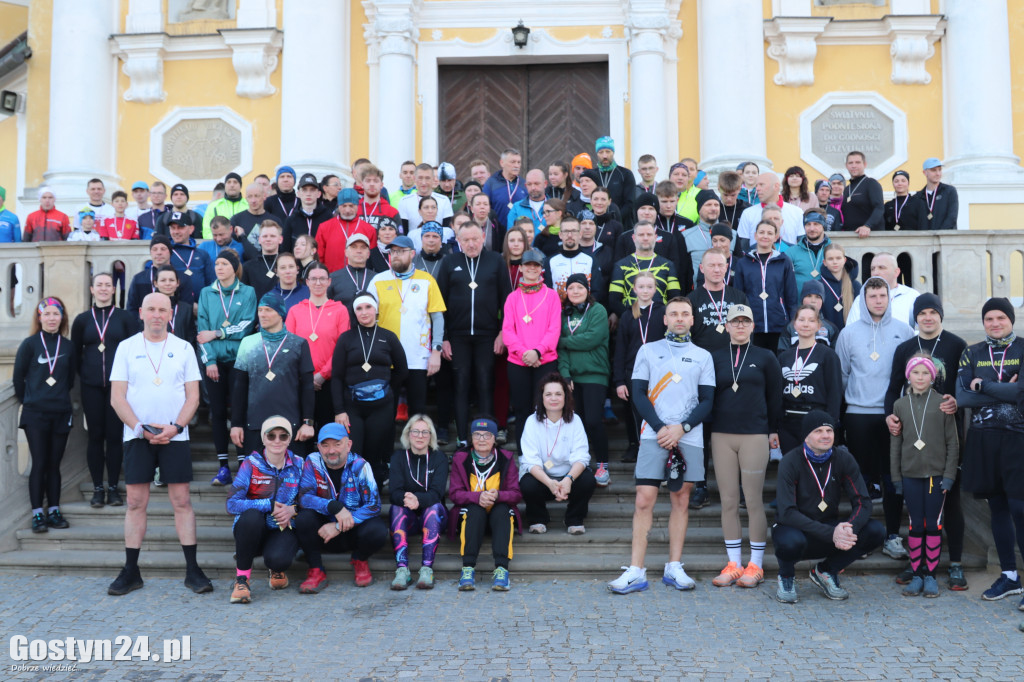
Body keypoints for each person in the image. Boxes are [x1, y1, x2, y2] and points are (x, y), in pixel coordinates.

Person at [107, 292, 212, 596]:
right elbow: (117, 397)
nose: (156, 315)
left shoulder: (183, 348)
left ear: (171, 314)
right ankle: (131, 571)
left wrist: (177, 426)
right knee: (136, 503)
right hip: (137, 436)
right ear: (141, 312)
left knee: (182, 502)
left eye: (162, 310)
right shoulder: (127, 348)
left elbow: (193, 396)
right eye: (151, 309)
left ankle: (192, 570)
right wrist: (140, 429)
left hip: (175, 435)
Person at [609, 297, 714, 594]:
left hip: (688, 437)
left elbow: (707, 400)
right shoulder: (648, 350)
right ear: (664, 319)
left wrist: (681, 429)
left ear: (692, 320)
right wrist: (660, 428)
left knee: (681, 499)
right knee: (644, 499)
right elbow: (638, 395)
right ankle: (635, 570)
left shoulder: (703, 356)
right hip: (652, 434)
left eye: (685, 314)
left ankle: (674, 566)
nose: (679, 318)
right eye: (674, 314)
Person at [884, 293, 968, 590]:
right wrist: (889, 416)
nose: (928, 317)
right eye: (922, 313)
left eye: (933, 312)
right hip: (912, 432)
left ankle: (955, 564)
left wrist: (958, 402)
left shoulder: (956, 345)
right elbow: (894, 387)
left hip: (946, 433)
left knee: (951, 505)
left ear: (940, 316)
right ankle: (918, 566)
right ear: (916, 317)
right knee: (917, 514)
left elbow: (965, 384)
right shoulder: (905, 348)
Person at [836, 276, 914, 560]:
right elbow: (842, 375)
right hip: (857, 415)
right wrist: (840, 415)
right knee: (860, 480)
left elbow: (912, 375)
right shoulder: (849, 333)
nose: (878, 301)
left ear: (888, 298)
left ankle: (893, 536)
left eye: (882, 296)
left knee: (893, 479)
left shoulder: (904, 331)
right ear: (864, 300)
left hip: (892, 416)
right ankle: (862, 534)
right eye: (872, 297)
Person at [772, 411, 885, 603]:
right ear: (806, 436)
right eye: (818, 431)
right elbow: (786, 512)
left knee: (875, 531)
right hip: (797, 529)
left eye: (829, 430)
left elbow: (863, 502)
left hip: (830, 527)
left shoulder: (843, 459)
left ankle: (826, 571)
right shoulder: (790, 461)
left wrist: (849, 528)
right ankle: (786, 576)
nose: (825, 435)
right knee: (789, 541)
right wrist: (831, 533)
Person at [707, 304, 782, 589]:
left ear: (753, 326)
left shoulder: (766, 357)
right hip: (722, 434)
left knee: (752, 500)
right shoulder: (714, 357)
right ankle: (734, 563)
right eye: (734, 321)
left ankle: (756, 565)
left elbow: (775, 396)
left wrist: (772, 429)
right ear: (726, 326)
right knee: (727, 501)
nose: (740, 326)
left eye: (745, 321)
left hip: (754, 434)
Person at [955, 297, 1024, 604]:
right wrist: (1006, 391)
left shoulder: (1022, 348)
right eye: (989, 319)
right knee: (996, 508)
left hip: (1017, 439)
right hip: (983, 439)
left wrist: (982, 386)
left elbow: (1021, 392)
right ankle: (1010, 576)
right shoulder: (972, 352)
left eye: (1001, 318)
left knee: (1020, 509)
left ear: (1011, 319)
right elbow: (963, 397)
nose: (995, 323)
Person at [890, 354, 959, 597]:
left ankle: (930, 575)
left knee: (933, 524)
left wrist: (949, 475)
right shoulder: (900, 405)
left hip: (936, 476)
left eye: (925, 373)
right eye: (916, 373)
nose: (920, 377)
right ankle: (917, 573)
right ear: (908, 375)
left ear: (933, 376)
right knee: (915, 524)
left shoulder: (942, 403)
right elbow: (895, 444)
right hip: (910, 475)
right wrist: (896, 478)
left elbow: (953, 443)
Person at [435, 222, 510, 444]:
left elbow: (507, 299)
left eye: (475, 239)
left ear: (483, 237)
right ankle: (462, 438)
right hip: (458, 336)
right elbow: (439, 303)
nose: (471, 244)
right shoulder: (450, 262)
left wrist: (502, 332)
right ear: (458, 240)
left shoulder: (495, 260)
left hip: (488, 335)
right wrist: (444, 337)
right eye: (466, 239)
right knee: (461, 383)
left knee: (486, 383)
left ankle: (486, 436)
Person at [294, 423, 389, 592]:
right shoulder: (312, 461)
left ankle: (359, 559)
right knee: (303, 518)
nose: (331, 451)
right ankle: (316, 569)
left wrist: (339, 526)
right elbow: (304, 498)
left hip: (353, 533)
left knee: (378, 530)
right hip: (323, 533)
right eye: (325, 445)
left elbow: (374, 505)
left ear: (348, 445)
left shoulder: (361, 466)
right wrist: (333, 506)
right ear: (319, 447)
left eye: (337, 444)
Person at [72, 274, 137, 507]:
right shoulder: (81, 320)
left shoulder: (124, 318)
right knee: (96, 436)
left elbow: (133, 351)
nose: (103, 289)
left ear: (114, 290)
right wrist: (87, 375)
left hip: (118, 388)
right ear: (92, 289)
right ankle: (98, 488)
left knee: (114, 437)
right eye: (99, 285)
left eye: (107, 285)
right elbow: (75, 353)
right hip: (91, 387)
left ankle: (113, 488)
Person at [226, 416, 304, 604]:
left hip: (281, 526)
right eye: (271, 436)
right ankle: (242, 580)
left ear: (289, 439)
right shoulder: (251, 464)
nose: (277, 440)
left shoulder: (300, 464)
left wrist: (293, 510)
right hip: (253, 526)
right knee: (251, 517)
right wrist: (267, 504)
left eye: (283, 436)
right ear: (263, 439)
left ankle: (275, 567)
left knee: (279, 559)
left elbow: (309, 499)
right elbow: (232, 503)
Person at [331, 293, 408, 482]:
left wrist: (386, 389)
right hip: (352, 407)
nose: (364, 312)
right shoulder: (346, 338)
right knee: (355, 451)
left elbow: (402, 370)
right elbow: (337, 377)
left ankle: (375, 493)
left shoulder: (388, 337)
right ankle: (355, 492)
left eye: (368, 307)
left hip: (381, 406)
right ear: (354, 312)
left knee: (375, 451)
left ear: (376, 310)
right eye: (359, 308)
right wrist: (339, 410)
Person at [14, 297, 75, 533]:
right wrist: (31, 400)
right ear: (39, 318)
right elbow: (19, 378)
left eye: (55, 314)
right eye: (47, 314)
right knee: (39, 463)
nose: (51, 318)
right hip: (35, 414)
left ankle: (55, 510)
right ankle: (38, 513)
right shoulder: (29, 344)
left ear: (62, 318)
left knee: (54, 464)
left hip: (61, 412)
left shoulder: (68, 346)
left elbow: (69, 380)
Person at [367, 235, 445, 419]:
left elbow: (438, 318)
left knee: (418, 412)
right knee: (386, 412)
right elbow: (368, 318)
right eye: (392, 252)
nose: (395, 256)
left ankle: (416, 448)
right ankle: (386, 449)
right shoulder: (378, 281)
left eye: (400, 252)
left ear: (412, 254)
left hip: (418, 357)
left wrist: (436, 351)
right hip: (386, 358)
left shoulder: (427, 280)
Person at [197, 249, 257, 484]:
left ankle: (243, 464)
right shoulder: (206, 293)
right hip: (215, 363)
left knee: (239, 411)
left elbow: (246, 326)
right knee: (218, 413)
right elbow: (201, 333)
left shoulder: (248, 292)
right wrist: (209, 361)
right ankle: (223, 467)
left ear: (234, 267)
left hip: (240, 361)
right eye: (217, 264)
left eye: (224, 264)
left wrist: (217, 332)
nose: (219, 268)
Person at [231, 292, 315, 456]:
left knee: (291, 479)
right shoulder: (248, 343)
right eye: (260, 310)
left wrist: (308, 422)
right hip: (255, 424)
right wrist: (236, 424)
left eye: (268, 310)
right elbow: (239, 386)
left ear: (281, 314)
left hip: (291, 426)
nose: (262, 314)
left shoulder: (298, 343)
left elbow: (307, 386)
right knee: (258, 479)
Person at [518, 372, 598, 535]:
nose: (553, 398)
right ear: (541, 397)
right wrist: (550, 483)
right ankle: (537, 518)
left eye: (558, 394)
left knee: (588, 480)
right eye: (548, 394)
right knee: (527, 483)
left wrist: (568, 480)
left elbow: (581, 456)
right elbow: (530, 461)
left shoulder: (575, 420)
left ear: (565, 397)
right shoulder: (531, 422)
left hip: (568, 478)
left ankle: (574, 519)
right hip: (543, 478)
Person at [448, 417, 523, 591]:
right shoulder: (461, 458)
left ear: (495, 438)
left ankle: (502, 570)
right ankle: (467, 569)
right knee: (474, 510)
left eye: (487, 435)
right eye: (477, 435)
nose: (482, 439)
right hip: (472, 515)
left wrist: (498, 495)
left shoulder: (505, 458)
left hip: (498, 515)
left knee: (503, 510)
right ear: (472, 438)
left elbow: (516, 494)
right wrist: (477, 497)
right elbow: (455, 494)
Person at [554, 274, 611, 486]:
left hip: (595, 373)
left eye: (580, 287)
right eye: (571, 288)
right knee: (575, 424)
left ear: (587, 290)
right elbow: (561, 352)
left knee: (594, 420)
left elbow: (593, 338)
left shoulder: (598, 310)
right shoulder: (562, 315)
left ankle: (603, 464)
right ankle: (581, 464)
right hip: (572, 377)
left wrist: (563, 341)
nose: (575, 291)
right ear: (566, 292)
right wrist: (565, 374)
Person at [502, 248, 562, 449]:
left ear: (541, 269)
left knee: (545, 410)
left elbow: (554, 329)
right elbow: (508, 331)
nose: (531, 268)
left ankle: (545, 452)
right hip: (518, 362)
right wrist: (524, 353)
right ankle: (524, 455)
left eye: (535, 265)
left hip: (545, 361)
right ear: (520, 268)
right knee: (521, 410)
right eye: (527, 265)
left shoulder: (552, 296)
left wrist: (537, 352)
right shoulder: (512, 298)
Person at [285, 262, 350, 431]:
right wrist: (305, 376)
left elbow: (342, 348)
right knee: (302, 431)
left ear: (329, 282)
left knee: (327, 433)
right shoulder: (295, 311)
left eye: (322, 279)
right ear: (306, 282)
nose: (318, 283)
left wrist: (322, 375)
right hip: (300, 380)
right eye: (313, 279)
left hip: (329, 382)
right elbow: (289, 345)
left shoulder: (340, 310)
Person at [388, 415, 449, 590]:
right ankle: (402, 570)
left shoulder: (439, 458)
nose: (420, 436)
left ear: (431, 436)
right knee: (396, 508)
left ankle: (426, 569)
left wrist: (418, 500)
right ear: (408, 434)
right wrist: (408, 500)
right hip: (410, 518)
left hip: (435, 518)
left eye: (425, 432)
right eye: (415, 431)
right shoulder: (399, 457)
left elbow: (437, 492)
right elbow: (394, 492)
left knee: (432, 507)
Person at [613, 272, 666, 465]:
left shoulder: (663, 312)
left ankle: (657, 445)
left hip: (658, 371)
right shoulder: (628, 315)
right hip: (632, 372)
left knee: (656, 410)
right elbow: (620, 349)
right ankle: (635, 445)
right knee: (632, 411)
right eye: (641, 287)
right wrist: (619, 381)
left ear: (655, 289)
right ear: (634, 289)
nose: (645, 291)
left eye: (649, 287)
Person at [777, 304, 843, 453]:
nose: (806, 324)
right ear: (794, 324)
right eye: (801, 319)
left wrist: (828, 425)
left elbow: (834, 393)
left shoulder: (828, 355)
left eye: (811, 320)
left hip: (817, 423)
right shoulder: (784, 357)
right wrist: (777, 426)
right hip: (789, 424)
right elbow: (778, 395)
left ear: (818, 325)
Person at [732, 219, 798, 351]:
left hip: (779, 323)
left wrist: (792, 322)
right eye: (761, 232)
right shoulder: (743, 263)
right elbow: (738, 295)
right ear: (755, 235)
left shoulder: (784, 261)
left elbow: (791, 294)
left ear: (775, 237)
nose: (765, 236)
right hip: (752, 324)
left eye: (769, 233)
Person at [607, 221, 682, 322]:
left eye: (649, 234)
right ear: (634, 238)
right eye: (641, 235)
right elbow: (614, 300)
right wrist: (631, 317)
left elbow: (675, 297)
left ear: (655, 237)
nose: (645, 238)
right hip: (630, 321)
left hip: (659, 321)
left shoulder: (668, 265)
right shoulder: (621, 265)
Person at [845, 252, 919, 328]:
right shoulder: (861, 299)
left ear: (896, 272)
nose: (875, 273)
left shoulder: (911, 296)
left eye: (881, 267)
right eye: (873, 269)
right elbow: (851, 331)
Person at [317, 188, 378, 273]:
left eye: (351, 206)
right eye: (344, 206)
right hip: (332, 278)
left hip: (360, 278)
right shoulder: (324, 227)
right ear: (338, 206)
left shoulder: (369, 229)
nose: (347, 210)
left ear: (357, 206)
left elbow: (372, 259)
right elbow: (319, 257)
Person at [736, 173, 803, 250]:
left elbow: (801, 247)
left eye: (761, 185)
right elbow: (743, 248)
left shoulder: (797, 212)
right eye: (756, 185)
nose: (757, 189)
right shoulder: (748, 213)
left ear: (776, 186)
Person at [776, 280, 840, 351]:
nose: (813, 300)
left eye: (818, 297)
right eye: (809, 296)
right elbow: (782, 355)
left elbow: (835, 357)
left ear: (822, 301)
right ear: (802, 299)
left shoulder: (831, 328)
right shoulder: (790, 327)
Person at [327, 233, 378, 312]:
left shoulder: (377, 278)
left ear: (368, 254)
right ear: (346, 252)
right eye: (354, 247)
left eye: (363, 247)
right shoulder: (333, 278)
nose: (359, 251)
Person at [782, 212, 831, 292]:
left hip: (827, 302)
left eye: (816, 224)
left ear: (823, 226)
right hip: (799, 302)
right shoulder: (791, 252)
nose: (811, 228)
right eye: (808, 224)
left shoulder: (834, 250)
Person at [399, 164, 455, 234]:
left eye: (427, 178)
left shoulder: (444, 200)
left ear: (433, 179)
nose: (424, 182)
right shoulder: (405, 201)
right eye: (420, 178)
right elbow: (403, 232)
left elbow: (447, 230)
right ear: (414, 178)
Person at [840, 151, 885, 238]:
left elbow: (879, 208)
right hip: (851, 237)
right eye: (850, 163)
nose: (854, 166)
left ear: (865, 164)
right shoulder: (846, 189)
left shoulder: (871, 183)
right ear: (846, 166)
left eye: (857, 162)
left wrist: (867, 226)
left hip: (869, 236)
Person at [232, 183, 281, 260]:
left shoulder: (275, 221)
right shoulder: (236, 219)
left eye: (257, 196)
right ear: (246, 198)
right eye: (250, 196)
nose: (253, 200)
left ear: (264, 196)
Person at [819, 242, 860, 332]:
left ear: (844, 260)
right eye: (830, 259)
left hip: (851, 335)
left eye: (838, 258)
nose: (835, 262)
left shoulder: (856, 286)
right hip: (826, 336)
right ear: (824, 262)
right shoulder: (819, 285)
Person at [483, 148, 527, 228]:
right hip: (497, 232)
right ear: (502, 163)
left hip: (520, 232)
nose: (516, 165)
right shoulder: (491, 183)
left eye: (519, 162)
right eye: (513, 162)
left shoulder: (524, 184)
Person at [241, 221, 285, 300]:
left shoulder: (288, 265)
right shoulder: (248, 267)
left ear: (280, 239)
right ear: (259, 240)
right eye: (265, 236)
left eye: (272, 236)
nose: (268, 239)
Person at [152, 265, 195, 343]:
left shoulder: (186, 309)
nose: (168, 283)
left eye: (171, 280)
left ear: (177, 283)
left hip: (181, 352)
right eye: (163, 280)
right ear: (156, 283)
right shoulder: (150, 308)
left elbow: (191, 337)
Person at [915, 158, 958, 230]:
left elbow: (952, 217)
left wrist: (939, 235)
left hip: (945, 239)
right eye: (933, 170)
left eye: (940, 170)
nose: (938, 173)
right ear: (925, 173)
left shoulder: (950, 191)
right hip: (925, 239)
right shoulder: (917, 197)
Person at [358, 164, 400, 233]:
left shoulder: (392, 212)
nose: (372, 184)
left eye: (376, 181)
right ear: (362, 184)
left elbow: (398, 239)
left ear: (381, 185)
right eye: (368, 181)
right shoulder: (354, 210)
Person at [202, 172, 246, 237]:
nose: (232, 185)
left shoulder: (248, 205)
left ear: (240, 186)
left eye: (235, 182)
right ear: (225, 186)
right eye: (229, 182)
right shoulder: (214, 206)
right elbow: (207, 230)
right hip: (219, 245)